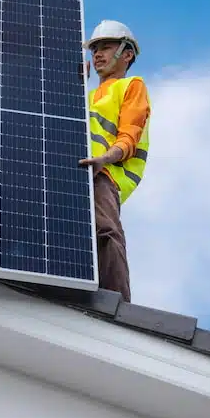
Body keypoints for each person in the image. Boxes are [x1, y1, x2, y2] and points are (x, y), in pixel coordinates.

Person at [78, 20, 150, 301]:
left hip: (103, 176)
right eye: (94, 49)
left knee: (105, 231)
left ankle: (117, 307)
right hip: (74, 169)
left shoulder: (132, 86)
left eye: (105, 48)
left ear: (127, 53)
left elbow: (129, 135)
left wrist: (104, 160)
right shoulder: (86, 95)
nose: (97, 54)